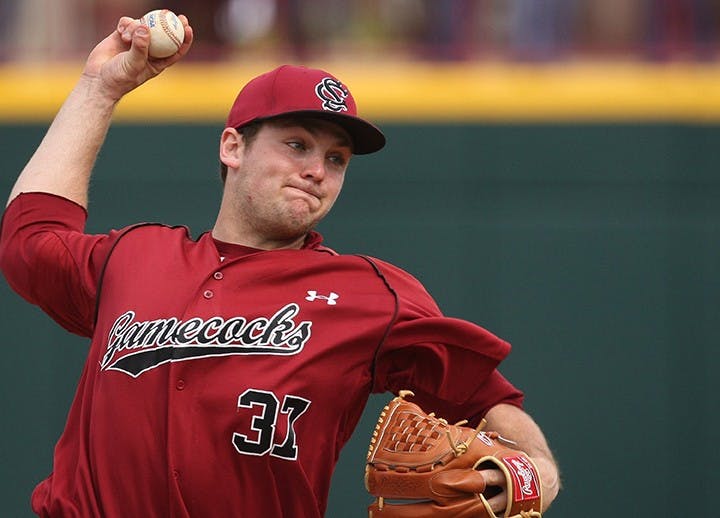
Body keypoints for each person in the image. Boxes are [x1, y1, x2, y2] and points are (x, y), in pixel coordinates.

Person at [0, 12, 560, 518]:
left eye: (335, 158)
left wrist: (531, 474)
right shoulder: (136, 257)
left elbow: (493, 404)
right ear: (232, 148)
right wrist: (100, 88)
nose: (318, 169)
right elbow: (30, 238)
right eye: (297, 145)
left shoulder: (369, 294)